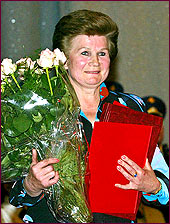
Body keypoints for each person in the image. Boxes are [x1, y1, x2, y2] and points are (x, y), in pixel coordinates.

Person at [9, 9, 169, 223]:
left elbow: (164, 183)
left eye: (102, 53)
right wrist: (32, 183)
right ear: (64, 59)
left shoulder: (131, 108)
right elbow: (17, 195)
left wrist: (154, 186)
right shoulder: (37, 110)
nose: (95, 62)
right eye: (84, 53)